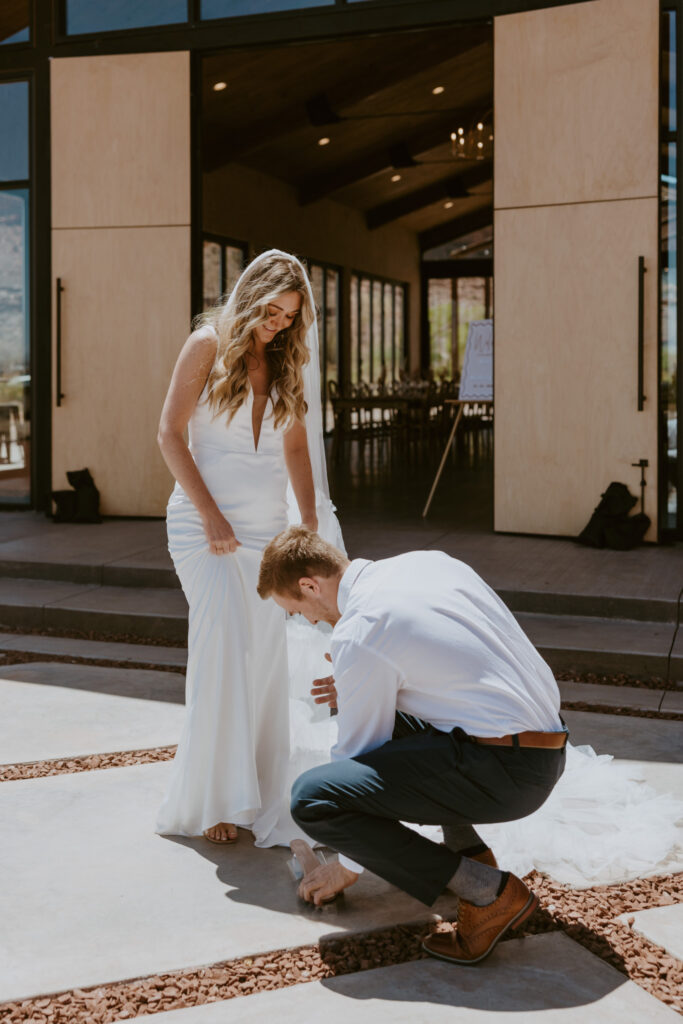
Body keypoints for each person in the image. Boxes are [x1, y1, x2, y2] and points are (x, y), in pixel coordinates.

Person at [257, 527, 568, 966]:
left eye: (297, 611)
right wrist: (361, 683)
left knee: (314, 799)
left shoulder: (360, 629)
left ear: (310, 585)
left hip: (508, 771)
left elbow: (358, 755)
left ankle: (488, 894)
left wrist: (347, 866)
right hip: (545, 747)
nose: (306, 622)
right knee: (398, 722)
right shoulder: (427, 562)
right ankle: (471, 855)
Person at [155, 251, 342, 846]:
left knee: (263, 657)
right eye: (273, 310)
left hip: (266, 531)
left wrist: (308, 522)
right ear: (252, 295)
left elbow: (294, 451)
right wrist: (210, 513)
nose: (280, 323)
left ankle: (254, 790)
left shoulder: (286, 359)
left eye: (291, 316)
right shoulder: (206, 345)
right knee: (222, 650)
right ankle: (216, 798)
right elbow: (168, 433)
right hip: (203, 528)